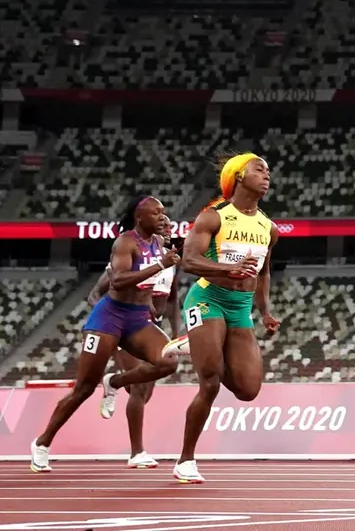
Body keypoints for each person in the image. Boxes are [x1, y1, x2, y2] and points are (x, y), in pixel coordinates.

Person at [30, 196, 181, 472]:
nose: (163, 217)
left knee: (169, 361)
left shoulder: (158, 244)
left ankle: (115, 381)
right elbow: (118, 280)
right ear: (140, 219)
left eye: (164, 212)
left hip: (137, 320)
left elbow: (157, 288)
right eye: (157, 213)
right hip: (109, 316)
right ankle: (42, 443)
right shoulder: (126, 242)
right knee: (84, 388)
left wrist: (152, 300)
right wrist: (161, 266)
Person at [162, 152, 280, 484]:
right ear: (239, 176)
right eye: (259, 169)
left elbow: (264, 271)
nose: (267, 175)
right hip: (208, 298)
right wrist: (229, 268)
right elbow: (189, 260)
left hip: (240, 306)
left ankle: (197, 346)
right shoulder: (213, 218)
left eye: (268, 171)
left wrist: (265, 310)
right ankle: (186, 460)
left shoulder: (268, 227)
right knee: (210, 381)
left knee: (248, 389)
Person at [86, 213, 182, 468]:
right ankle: (137, 451)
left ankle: (113, 382)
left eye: (170, 225)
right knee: (139, 389)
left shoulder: (171, 260)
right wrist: (112, 324)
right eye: (163, 225)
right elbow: (95, 294)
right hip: (126, 324)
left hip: (153, 326)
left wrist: (177, 332)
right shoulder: (135, 257)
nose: (168, 228)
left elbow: (173, 299)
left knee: (146, 387)